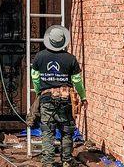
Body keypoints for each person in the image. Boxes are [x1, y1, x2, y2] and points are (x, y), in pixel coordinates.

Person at [31, 25, 88, 167]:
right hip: (65, 99)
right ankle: (67, 160)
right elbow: (77, 81)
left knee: (47, 131)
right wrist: (83, 96)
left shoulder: (40, 57)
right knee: (67, 130)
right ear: (63, 42)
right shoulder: (71, 59)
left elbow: (35, 78)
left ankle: (48, 162)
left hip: (46, 99)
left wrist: (39, 92)